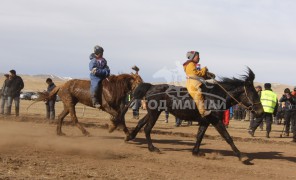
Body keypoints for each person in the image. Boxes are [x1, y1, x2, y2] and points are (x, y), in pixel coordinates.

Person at [183, 51, 213, 117]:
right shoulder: (190, 64)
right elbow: (196, 74)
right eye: (197, 56)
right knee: (198, 94)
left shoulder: (192, 64)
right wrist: (204, 69)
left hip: (194, 82)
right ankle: (203, 112)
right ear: (192, 57)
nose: (199, 58)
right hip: (193, 83)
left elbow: (198, 74)